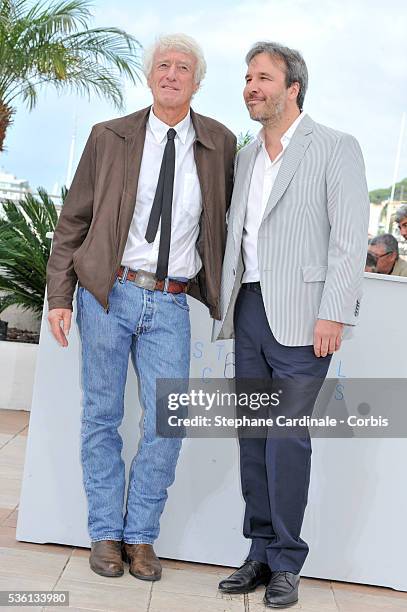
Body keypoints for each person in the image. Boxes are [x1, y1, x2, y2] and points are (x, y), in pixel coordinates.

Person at [46, 33, 236, 581]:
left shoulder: (220, 143)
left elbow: (237, 220)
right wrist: (61, 297)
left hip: (171, 304)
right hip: (108, 293)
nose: (171, 74)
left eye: (182, 68)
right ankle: (106, 533)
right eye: (162, 65)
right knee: (101, 418)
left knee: (166, 424)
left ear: (197, 82)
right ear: (149, 76)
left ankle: (141, 537)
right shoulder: (109, 137)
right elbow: (72, 221)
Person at [214, 41, 370, 608]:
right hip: (250, 310)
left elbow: (350, 240)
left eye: (262, 78)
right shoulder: (247, 156)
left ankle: (286, 560)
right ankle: (257, 551)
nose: (251, 87)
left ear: (292, 87)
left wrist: (334, 311)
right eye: (247, 78)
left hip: (306, 319)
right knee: (252, 436)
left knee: (286, 437)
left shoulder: (335, 147)